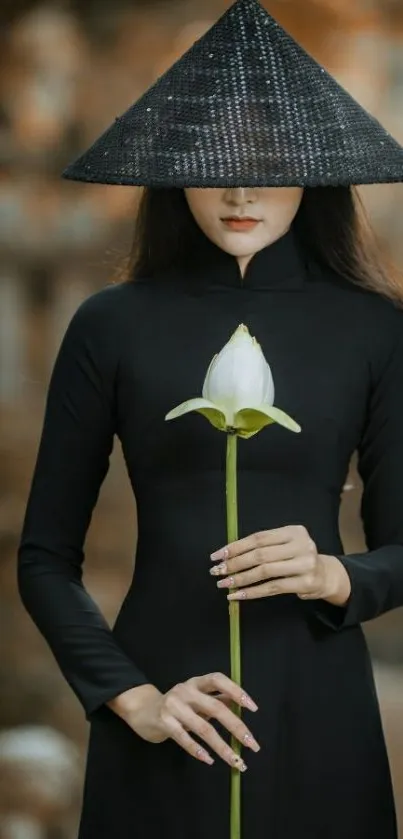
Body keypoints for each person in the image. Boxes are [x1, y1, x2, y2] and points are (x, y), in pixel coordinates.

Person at [17, 1, 403, 837]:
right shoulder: (111, 324)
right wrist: (136, 698)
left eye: (267, 160)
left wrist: (336, 575)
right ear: (170, 168)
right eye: (213, 159)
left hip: (318, 714)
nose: (239, 189)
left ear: (313, 167)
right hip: (166, 710)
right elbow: (45, 558)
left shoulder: (373, 329)